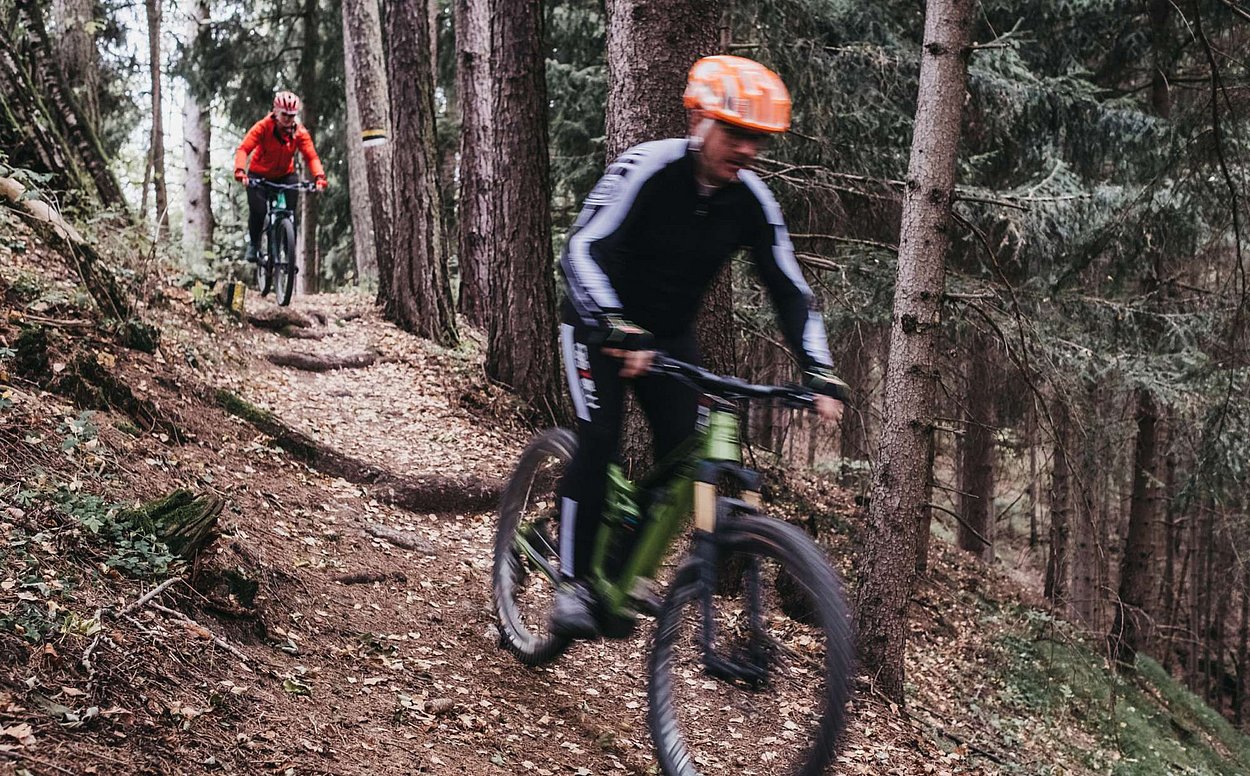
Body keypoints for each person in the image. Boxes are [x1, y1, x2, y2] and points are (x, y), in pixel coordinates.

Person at [553, 55, 848, 639]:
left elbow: (791, 290)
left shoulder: (752, 202)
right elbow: (581, 250)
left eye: (757, 139)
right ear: (699, 122)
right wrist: (611, 321)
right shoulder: (646, 168)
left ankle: (622, 566)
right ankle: (572, 581)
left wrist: (819, 367)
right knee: (601, 439)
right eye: (736, 133)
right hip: (595, 323)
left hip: (668, 336)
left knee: (684, 452)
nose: (747, 150)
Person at [233, 91, 327, 262]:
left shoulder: (299, 133)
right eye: (284, 114)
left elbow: (311, 156)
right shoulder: (263, 127)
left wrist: (319, 177)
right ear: (275, 111)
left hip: (285, 175)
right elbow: (244, 149)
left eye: (292, 115)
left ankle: (288, 251)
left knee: (290, 211)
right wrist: (240, 171)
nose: (288, 119)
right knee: (259, 210)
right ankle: (254, 244)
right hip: (259, 175)